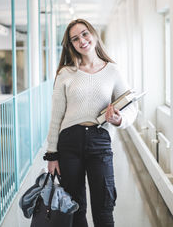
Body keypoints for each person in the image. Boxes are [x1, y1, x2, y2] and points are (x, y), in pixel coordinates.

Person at [43, 18, 138, 227]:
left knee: (104, 207)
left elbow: (132, 107)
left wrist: (119, 119)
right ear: (71, 45)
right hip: (69, 144)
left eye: (84, 34)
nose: (82, 41)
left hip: (100, 142)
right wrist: (52, 154)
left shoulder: (112, 71)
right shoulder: (65, 73)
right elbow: (56, 115)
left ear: (93, 34)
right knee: (75, 209)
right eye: (75, 39)